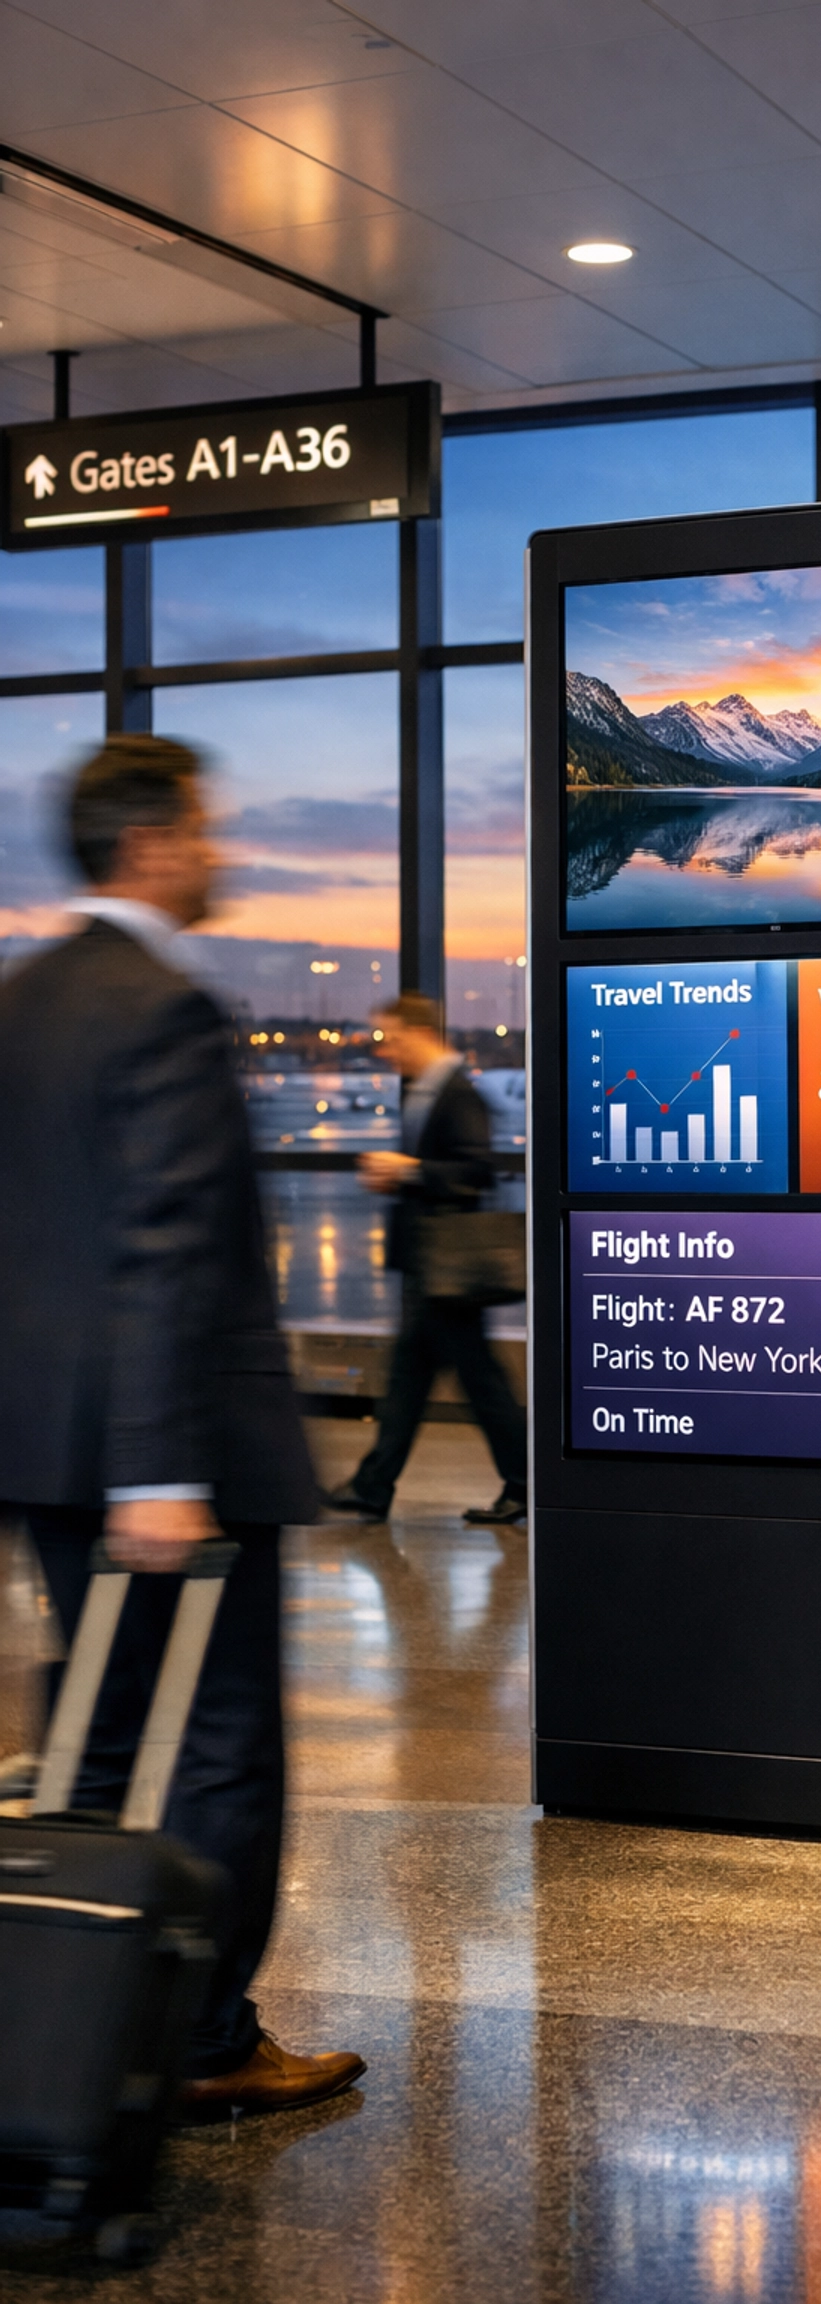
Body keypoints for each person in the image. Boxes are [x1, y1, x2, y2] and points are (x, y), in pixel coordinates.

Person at [0, 734, 365, 2112]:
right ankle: (203, 2043)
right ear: (151, 844)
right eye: (206, 830)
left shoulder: (21, 1001)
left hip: (41, 1442)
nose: (219, 853)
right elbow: (164, 1249)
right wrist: (160, 1467)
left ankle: (68, 2029)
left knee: (89, 1745)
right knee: (219, 1743)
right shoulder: (159, 1005)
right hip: (162, 1454)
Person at [326, 994, 527, 1528]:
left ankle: (528, 1480)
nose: (385, 1051)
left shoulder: (458, 1092)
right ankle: (373, 1486)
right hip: (428, 1260)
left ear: (418, 1032)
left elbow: (476, 1169)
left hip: (448, 1264)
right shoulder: (429, 1090)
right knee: (411, 1379)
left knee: (474, 1379)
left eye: (390, 1038)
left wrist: (407, 1170)